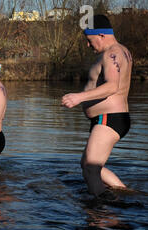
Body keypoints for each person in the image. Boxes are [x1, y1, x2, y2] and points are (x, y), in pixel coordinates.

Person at [61, 15, 132, 199]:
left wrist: (79, 97)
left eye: (89, 40)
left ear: (101, 35)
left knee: (91, 169)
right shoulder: (122, 51)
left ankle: (101, 211)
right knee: (87, 165)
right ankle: (126, 195)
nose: (88, 45)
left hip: (110, 117)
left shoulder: (112, 53)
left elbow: (112, 86)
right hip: (109, 117)